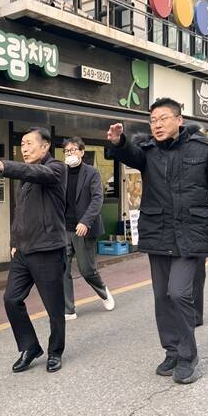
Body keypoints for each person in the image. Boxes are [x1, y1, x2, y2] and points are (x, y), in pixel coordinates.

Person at [106, 97, 208, 384]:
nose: (157, 124)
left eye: (163, 118)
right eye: (153, 120)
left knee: (178, 293)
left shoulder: (204, 150)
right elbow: (129, 154)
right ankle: (172, 351)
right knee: (161, 297)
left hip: (191, 232)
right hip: (158, 232)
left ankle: (188, 355)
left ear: (179, 120)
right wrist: (118, 142)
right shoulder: (148, 150)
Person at [0, 127, 67, 373]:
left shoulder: (56, 169)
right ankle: (30, 346)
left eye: (29, 143)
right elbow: (21, 214)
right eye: (22, 144)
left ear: (45, 146)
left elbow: (37, 172)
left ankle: (55, 351)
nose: (24, 149)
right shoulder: (26, 179)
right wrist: (14, 241)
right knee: (11, 299)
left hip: (48, 249)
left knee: (54, 307)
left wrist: (4, 166)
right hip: (23, 251)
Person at [62, 137, 115, 320]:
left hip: (82, 228)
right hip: (63, 228)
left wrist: (85, 221)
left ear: (82, 152)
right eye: (67, 151)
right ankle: (68, 309)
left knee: (87, 270)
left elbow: (97, 199)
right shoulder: (61, 173)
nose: (70, 154)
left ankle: (103, 292)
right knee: (63, 268)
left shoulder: (91, 173)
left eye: (73, 150)